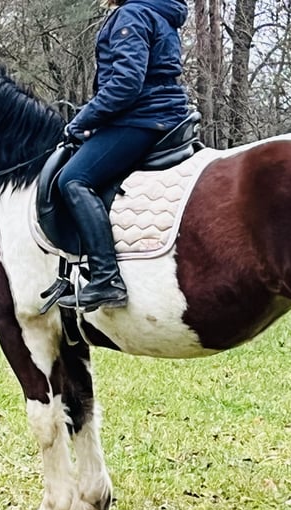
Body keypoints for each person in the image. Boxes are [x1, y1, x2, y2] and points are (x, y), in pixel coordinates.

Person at [56, 0, 189, 312]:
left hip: (142, 119)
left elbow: (125, 85)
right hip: (162, 115)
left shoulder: (132, 14)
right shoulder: (161, 12)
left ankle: (106, 279)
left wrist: (82, 120)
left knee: (73, 179)